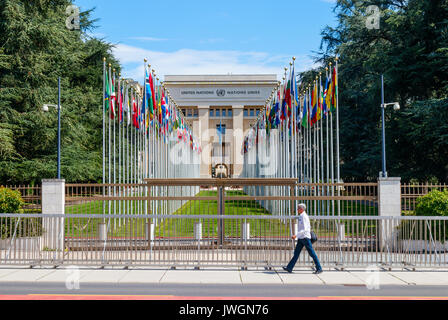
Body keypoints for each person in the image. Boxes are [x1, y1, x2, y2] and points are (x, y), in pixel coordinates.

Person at [283, 203, 323, 274]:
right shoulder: (302, 216)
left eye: (298, 208)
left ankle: (319, 268)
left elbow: (305, 229)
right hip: (301, 238)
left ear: (302, 209)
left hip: (305, 237)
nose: (297, 209)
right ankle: (289, 267)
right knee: (296, 253)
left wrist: (296, 235)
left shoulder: (303, 216)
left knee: (312, 253)